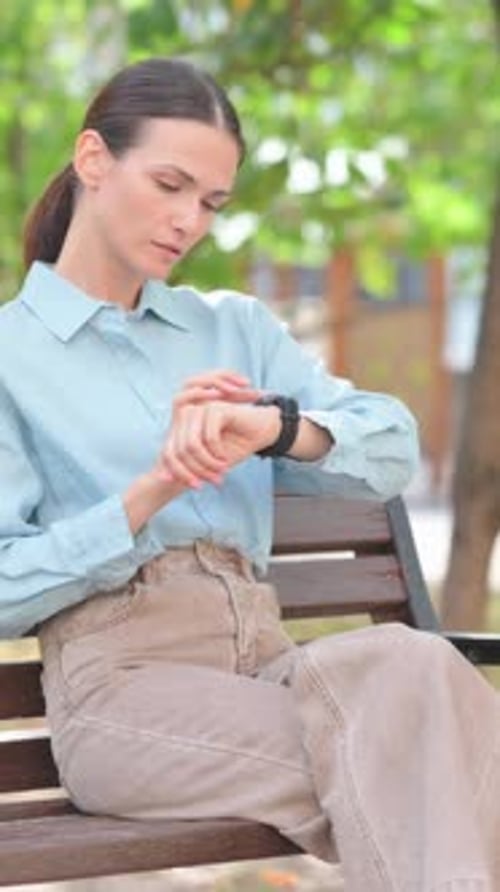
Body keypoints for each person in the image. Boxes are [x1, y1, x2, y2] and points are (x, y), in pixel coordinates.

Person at [0, 57, 499, 892]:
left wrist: (276, 428)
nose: (189, 220)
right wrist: (151, 491)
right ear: (93, 160)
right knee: (434, 753)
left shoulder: (232, 329)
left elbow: (391, 447)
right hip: (126, 694)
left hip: (272, 665)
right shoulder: (10, 357)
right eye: (170, 184)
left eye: (211, 202)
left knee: (421, 671)